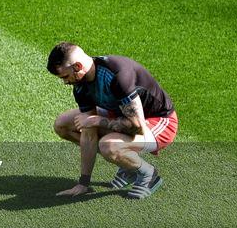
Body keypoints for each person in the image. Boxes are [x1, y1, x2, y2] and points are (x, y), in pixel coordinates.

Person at [47, 42, 178, 199]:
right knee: (63, 124)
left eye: (65, 76)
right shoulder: (80, 86)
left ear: (77, 66)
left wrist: (98, 121)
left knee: (108, 145)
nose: (65, 82)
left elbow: (137, 127)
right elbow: (89, 132)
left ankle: (148, 174)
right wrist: (83, 183)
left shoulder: (118, 76)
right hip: (120, 116)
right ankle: (127, 166)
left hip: (159, 122)